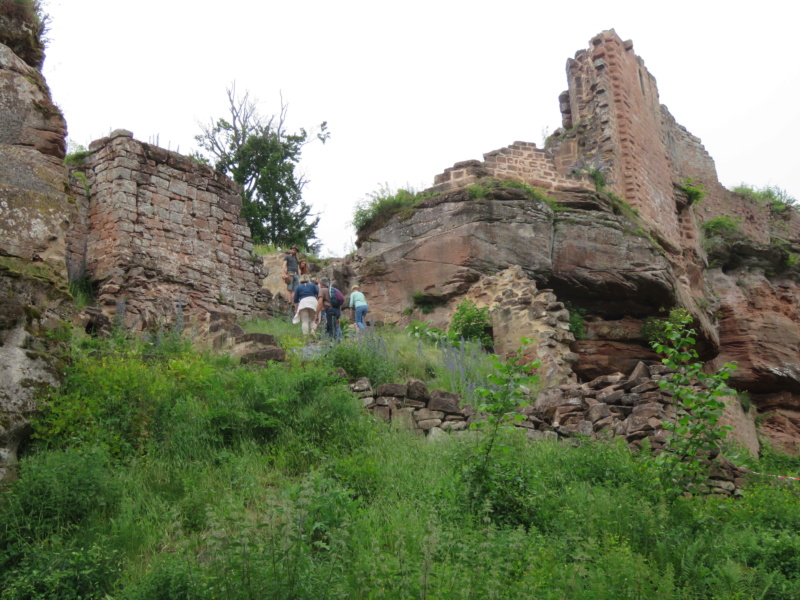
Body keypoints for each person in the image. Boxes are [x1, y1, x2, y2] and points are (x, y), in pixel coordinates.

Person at [292, 274, 319, 339]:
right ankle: (312, 330)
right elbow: (318, 293)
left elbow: (295, 300)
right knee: (313, 319)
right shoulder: (313, 285)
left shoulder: (298, 287)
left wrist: (296, 309)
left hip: (303, 303)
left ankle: (305, 336)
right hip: (313, 302)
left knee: (305, 321)